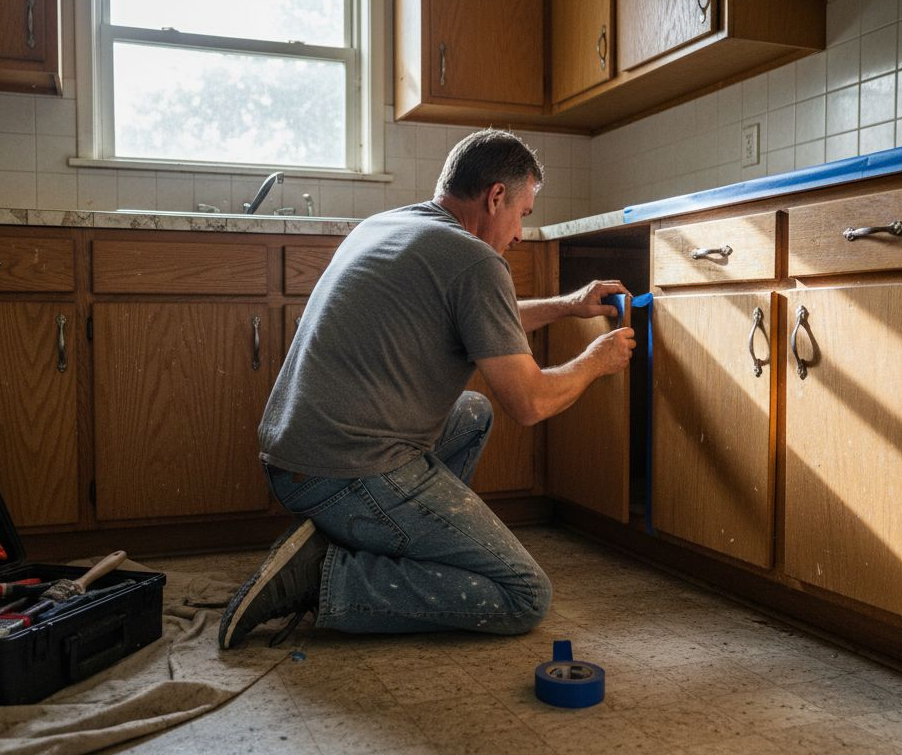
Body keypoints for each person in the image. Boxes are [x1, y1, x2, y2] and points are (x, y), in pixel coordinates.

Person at [219, 128, 635, 649]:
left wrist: (567, 304)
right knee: (523, 595)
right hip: (342, 471)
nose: (522, 234)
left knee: (472, 412)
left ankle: (370, 539)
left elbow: (482, 321)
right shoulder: (474, 260)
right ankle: (324, 576)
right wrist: (597, 361)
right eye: (523, 214)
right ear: (496, 196)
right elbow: (529, 403)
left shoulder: (390, 225)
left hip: (294, 456)